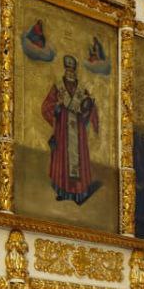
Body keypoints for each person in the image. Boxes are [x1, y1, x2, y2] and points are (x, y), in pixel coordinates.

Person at [42, 55, 99, 205]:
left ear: (75, 71)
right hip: (63, 129)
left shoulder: (81, 89)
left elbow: (89, 107)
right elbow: (46, 106)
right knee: (63, 158)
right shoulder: (58, 87)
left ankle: (79, 194)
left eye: (72, 70)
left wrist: (88, 107)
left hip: (78, 131)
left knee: (78, 158)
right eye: (68, 70)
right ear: (65, 70)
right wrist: (57, 105)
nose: (70, 72)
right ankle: (63, 191)